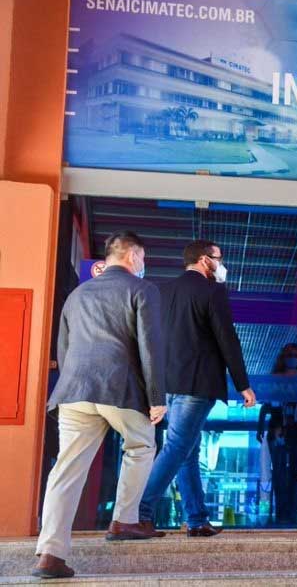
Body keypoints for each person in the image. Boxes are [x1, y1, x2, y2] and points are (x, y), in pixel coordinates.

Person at [33, 231, 167, 579]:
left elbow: (64, 347)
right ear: (133, 256)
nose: (143, 264)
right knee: (141, 446)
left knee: (66, 469)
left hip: (74, 390)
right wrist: (157, 398)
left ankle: (50, 554)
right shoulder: (142, 289)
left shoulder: (78, 294)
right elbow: (151, 347)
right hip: (119, 388)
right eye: (142, 258)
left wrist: (73, 383)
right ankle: (124, 520)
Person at [138, 240, 256, 538]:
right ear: (205, 260)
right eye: (219, 258)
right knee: (178, 446)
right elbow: (227, 338)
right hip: (197, 382)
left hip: (168, 383)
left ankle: (197, 519)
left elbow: (151, 339)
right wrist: (242, 384)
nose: (221, 264)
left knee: (187, 450)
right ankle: (139, 512)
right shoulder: (213, 291)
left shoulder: (163, 291)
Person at [257, 343, 297, 525]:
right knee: (279, 474)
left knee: (295, 473)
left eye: (296, 354)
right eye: (289, 354)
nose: (293, 358)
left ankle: (292, 516)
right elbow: (267, 405)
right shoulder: (275, 379)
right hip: (277, 429)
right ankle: (282, 516)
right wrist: (261, 427)